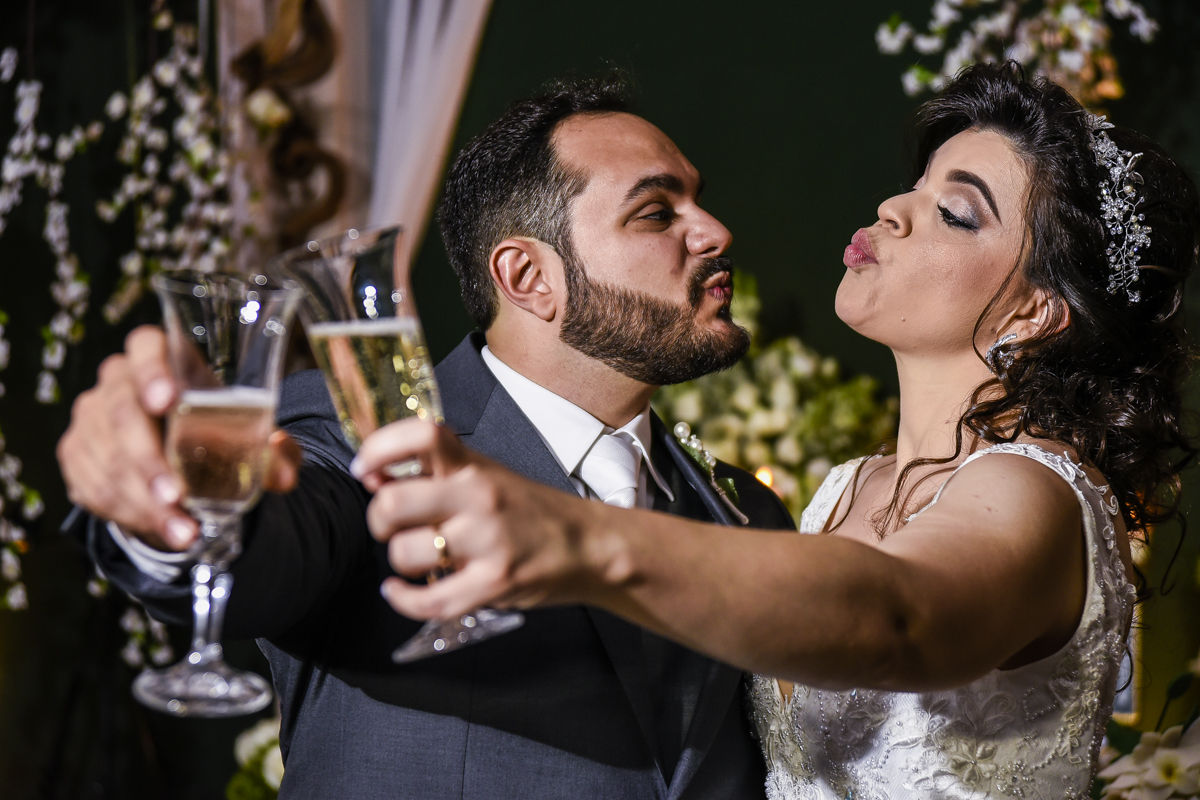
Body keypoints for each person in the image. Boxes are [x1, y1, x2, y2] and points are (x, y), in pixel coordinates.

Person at [350, 62, 1200, 799]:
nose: (894, 210)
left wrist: (577, 538)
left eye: (957, 213)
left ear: (1040, 309)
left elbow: (896, 618)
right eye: (918, 184)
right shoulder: (832, 493)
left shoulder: (1036, 490)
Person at [57, 75, 798, 799]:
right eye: (656, 213)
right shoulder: (360, 436)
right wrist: (170, 504)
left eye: (696, 199)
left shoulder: (748, 515)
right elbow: (271, 548)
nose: (715, 231)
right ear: (528, 276)